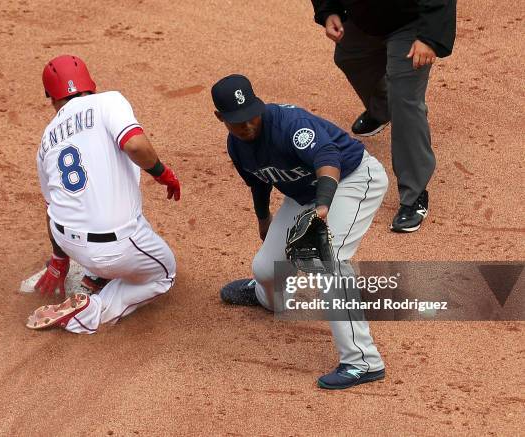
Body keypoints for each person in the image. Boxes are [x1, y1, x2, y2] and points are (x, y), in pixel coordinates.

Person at [212, 74, 388, 389]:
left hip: (353, 179)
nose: (248, 125)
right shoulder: (237, 147)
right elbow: (259, 181)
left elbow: (328, 158)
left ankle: (363, 361)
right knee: (266, 268)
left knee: (328, 263)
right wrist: (263, 219)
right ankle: (270, 300)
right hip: (305, 195)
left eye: (251, 115)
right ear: (220, 118)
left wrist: (322, 207)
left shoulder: (289, 124)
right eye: (238, 121)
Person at [27, 55, 180, 334]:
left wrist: (59, 261)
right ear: (90, 83)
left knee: (81, 205)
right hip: (116, 247)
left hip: (68, 242)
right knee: (164, 274)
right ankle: (89, 314)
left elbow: (50, 208)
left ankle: (96, 274)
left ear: (50, 96)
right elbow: (134, 144)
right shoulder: (109, 101)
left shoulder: (46, 140)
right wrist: (162, 173)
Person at [311, 0, 457, 232]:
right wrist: (329, 11)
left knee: (405, 101)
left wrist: (429, 37)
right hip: (365, 21)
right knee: (348, 56)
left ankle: (414, 196)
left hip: (411, 24)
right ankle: (382, 110)